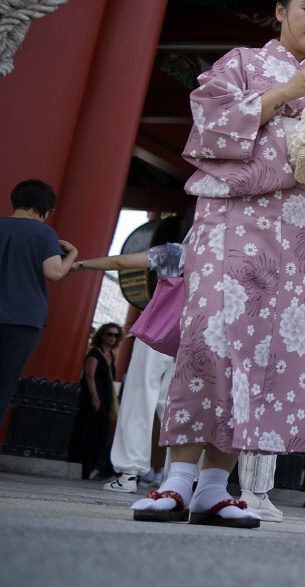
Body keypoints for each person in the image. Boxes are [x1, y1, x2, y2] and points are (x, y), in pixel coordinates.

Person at [130, 0, 305, 528]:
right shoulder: (241, 63)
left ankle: (215, 487)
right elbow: (210, 124)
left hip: (295, 240)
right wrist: (285, 95)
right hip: (233, 225)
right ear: (281, 10)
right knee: (211, 342)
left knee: (261, 354)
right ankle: (175, 480)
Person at [76, 224, 188, 495]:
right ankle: (181, 478)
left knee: (140, 396)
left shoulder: (174, 253)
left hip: (158, 333)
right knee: (179, 406)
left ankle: (129, 473)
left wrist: (79, 264)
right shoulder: (226, 259)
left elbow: (121, 261)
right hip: (195, 337)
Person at [0, 179, 78, 424]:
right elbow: (54, 273)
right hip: (24, 319)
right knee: (4, 383)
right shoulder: (45, 233)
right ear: (40, 208)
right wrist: (72, 255)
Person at [69, 322, 121, 480]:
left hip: (104, 398)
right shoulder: (95, 353)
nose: (112, 338)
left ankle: (93, 467)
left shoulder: (111, 355)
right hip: (93, 398)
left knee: (102, 433)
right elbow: (89, 376)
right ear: (102, 335)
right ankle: (83, 467)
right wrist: (95, 397)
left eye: (116, 335)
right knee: (88, 431)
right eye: (109, 334)